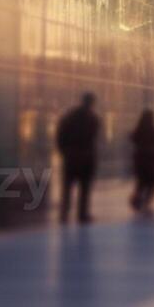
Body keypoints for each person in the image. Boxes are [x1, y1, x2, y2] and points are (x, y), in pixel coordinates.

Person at [55, 93, 100, 224]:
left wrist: (64, 151)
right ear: (91, 103)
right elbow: (92, 140)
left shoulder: (69, 117)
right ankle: (82, 214)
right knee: (84, 187)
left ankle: (64, 213)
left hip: (72, 157)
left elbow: (60, 135)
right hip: (85, 157)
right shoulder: (93, 119)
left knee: (68, 187)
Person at [129, 110, 154, 216]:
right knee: (152, 183)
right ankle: (146, 202)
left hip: (140, 161)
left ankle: (136, 200)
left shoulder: (137, 131)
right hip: (151, 161)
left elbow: (132, 140)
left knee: (141, 182)